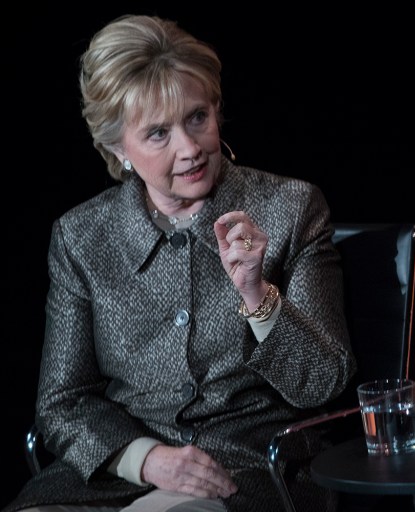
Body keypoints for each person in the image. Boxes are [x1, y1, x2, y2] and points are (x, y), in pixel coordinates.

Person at [4, 14, 356, 512]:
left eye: (197, 117)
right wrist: (147, 459)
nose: (190, 148)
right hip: (113, 475)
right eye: (157, 134)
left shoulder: (291, 209)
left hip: (245, 470)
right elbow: (61, 404)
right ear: (116, 148)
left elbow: (320, 382)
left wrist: (258, 297)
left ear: (216, 108)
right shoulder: (81, 236)